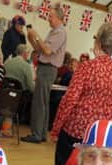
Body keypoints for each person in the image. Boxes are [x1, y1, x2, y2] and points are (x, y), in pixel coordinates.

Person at [49, 22, 112, 165]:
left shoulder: (87, 68)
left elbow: (69, 100)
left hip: (74, 132)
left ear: (98, 43)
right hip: (100, 138)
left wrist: (56, 129)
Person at [21, 3, 67, 144]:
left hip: (48, 69)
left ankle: (36, 134)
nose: (48, 19)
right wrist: (31, 38)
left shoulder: (60, 32)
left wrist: (37, 36)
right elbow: (40, 49)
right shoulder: (54, 32)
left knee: (39, 102)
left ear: (59, 18)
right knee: (43, 102)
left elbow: (47, 51)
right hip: (45, 67)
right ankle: (41, 133)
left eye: (51, 16)